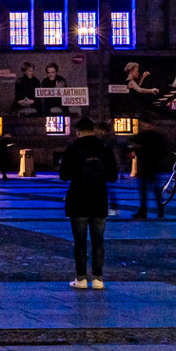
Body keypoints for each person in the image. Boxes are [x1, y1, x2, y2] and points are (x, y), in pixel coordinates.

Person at [60, 118, 118, 289]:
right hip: (98, 200)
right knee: (98, 242)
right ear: (94, 129)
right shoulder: (105, 149)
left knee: (79, 242)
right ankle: (98, 279)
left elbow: (63, 176)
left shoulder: (72, 148)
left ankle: (81, 279)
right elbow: (113, 177)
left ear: (77, 131)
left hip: (78, 200)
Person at [129, 120, 169, 219]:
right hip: (151, 164)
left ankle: (146, 211)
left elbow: (133, 141)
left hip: (148, 164)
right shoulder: (155, 136)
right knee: (152, 190)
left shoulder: (147, 136)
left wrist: (138, 149)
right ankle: (158, 211)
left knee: (147, 190)